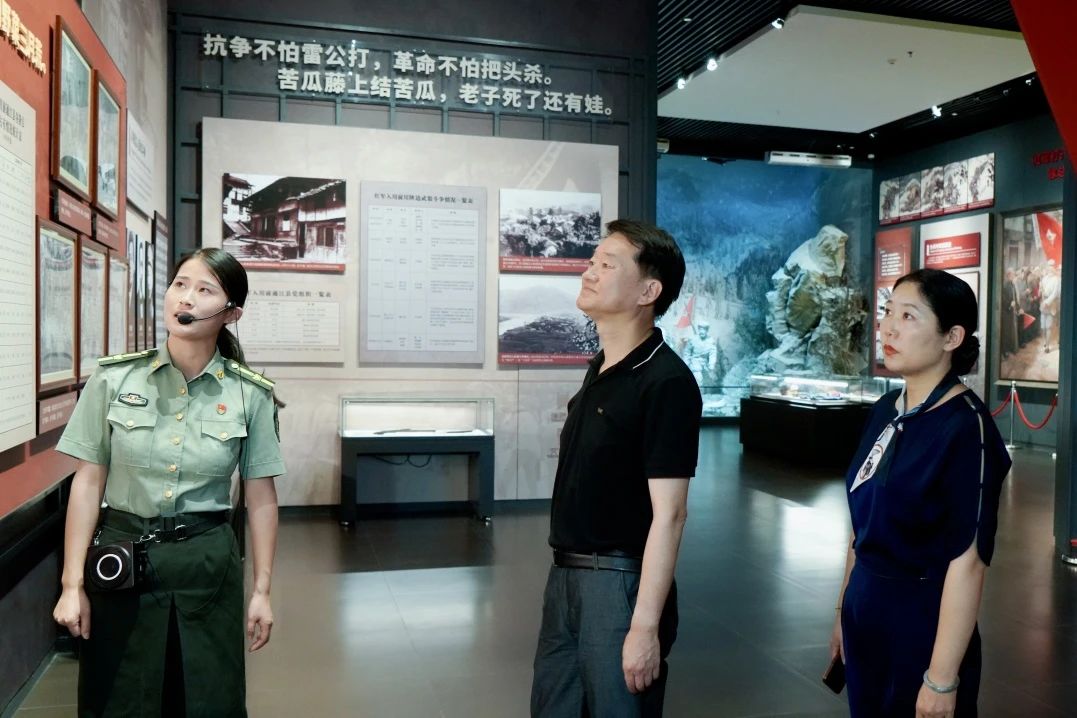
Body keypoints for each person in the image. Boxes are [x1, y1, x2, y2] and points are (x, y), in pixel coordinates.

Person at [52, 247, 286, 716]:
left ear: (231, 313)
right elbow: (88, 483)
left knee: (207, 699)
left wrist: (261, 591)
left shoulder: (249, 394)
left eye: (204, 290)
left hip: (207, 565)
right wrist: (71, 583)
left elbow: (261, 497)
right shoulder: (115, 379)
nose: (186, 298)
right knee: (118, 700)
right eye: (180, 284)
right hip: (122, 560)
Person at [531, 219, 702, 717]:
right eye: (592, 261)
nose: (589, 272)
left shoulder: (666, 382)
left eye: (607, 265)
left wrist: (644, 626)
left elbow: (670, 515)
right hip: (565, 577)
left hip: (618, 585)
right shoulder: (600, 368)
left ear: (649, 291)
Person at [829, 268, 1010, 718]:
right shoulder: (885, 410)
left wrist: (941, 678)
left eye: (908, 316)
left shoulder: (965, 428)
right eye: (889, 311)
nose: (888, 327)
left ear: (952, 337)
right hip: (865, 609)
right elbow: (861, 525)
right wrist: (843, 611)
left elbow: (969, 561)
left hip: (920, 621)